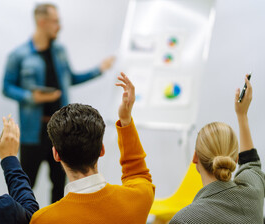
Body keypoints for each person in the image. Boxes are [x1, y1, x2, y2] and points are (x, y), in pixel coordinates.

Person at [2, 3, 114, 203]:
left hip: (61, 131)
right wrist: (32, 97)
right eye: (55, 21)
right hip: (32, 133)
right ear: (41, 22)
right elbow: (6, 87)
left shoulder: (60, 51)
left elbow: (70, 78)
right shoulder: (19, 55)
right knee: (24, 187)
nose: (59, 26)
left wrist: (99, 69)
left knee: (60, 186)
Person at [30, 72, 155, 224]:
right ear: (101, 150)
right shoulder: (138, 199)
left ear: (56, 154)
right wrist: (125, 119)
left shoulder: (44, 220)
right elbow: (139, 174)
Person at [170, 75, 265, 223]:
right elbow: (251, 164)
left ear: (195, 158)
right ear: (235, 159)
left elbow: (250, 164)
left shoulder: (185, 219)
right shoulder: (253, 194)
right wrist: (242, 115)